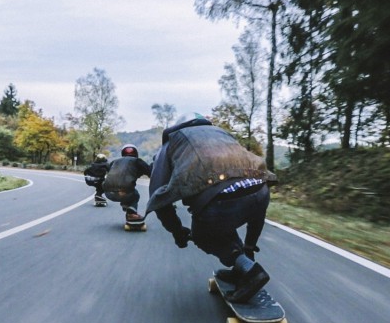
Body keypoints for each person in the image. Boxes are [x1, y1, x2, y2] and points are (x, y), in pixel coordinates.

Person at [146, 113, 277, 303]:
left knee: (203, 234)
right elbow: (250, 188)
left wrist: (177, 232)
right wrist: (249, 246)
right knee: (228, 215)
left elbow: (159, 196)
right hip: (260, 190)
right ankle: (243, 265)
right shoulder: (221, 134)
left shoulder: (171, 143)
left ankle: (251, 272)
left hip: (221, 202)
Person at [103, 144, 151, 222]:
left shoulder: (114, 162)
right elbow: (150, 172)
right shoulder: (137, 161)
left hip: (108, 193)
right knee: (135, 195)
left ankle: (126, 205)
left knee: (126, 189)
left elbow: (112, 175)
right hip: (126, 193)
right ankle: (131, 214)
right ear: (136, 153)